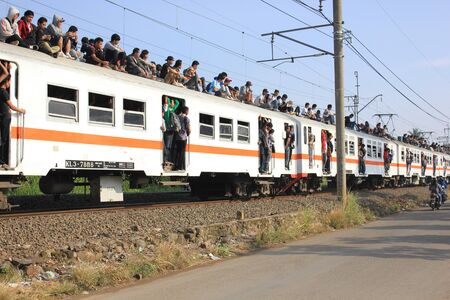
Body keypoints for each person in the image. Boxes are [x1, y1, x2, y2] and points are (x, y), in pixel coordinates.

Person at [0, 72, 26, 169]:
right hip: (4, 118)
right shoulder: (4, 92)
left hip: (3, 116)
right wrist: (21, 110)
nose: (10, 84)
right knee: (3, 140)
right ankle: (2, 162)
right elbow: (12, 106)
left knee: (3, 139)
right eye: (10, 81)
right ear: (6, 82)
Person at [163, 96, 180, 166]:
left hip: (168, 130)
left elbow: (176, 102)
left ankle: (167, 159)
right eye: (172, 102)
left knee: (167, 145)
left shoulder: (168, 109)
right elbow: (177, 102)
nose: (173, 103)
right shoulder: (171, 109)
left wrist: (170, 98)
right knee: (168, 146)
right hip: (170, 130)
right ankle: (167, 159)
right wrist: (171, 98)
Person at [173, 106, 190, 171]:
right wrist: (188, 134)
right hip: (183, 137)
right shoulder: (186, 118)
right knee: (182, 152)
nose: (188, 112)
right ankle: (180, 167)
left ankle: (176, 166)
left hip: (177, 137)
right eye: (188, 111)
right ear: (186, 111)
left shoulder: (178, 117)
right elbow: (189, 128)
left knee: (177, 152)